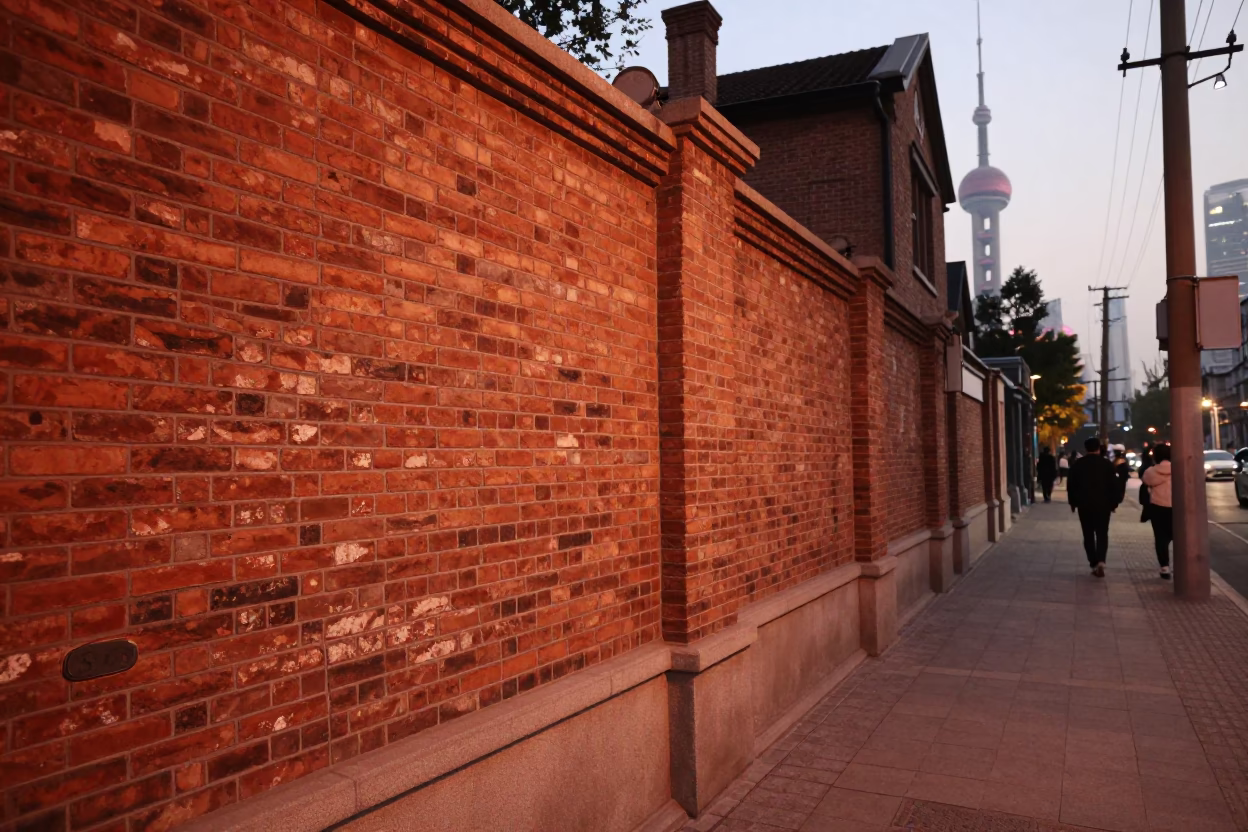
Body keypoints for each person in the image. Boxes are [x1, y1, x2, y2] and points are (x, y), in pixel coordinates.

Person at [1068, 437, 1122, 577]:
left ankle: (1093, 562)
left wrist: (1073, 503)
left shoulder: (1078, 464)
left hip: (1084, 504)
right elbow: (1114, 485)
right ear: (1099, 448)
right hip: (1103, 505)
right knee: (1102, 533)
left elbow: (1071, 486)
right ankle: (1101, 560)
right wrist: (1114, 503)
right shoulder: (1107, 464)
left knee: (1088, 534)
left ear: (1086, 449)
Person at [1142, 443, 1173, 580]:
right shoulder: (1179, 469)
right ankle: (1182, 564)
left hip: (1157, 506)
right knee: (1178, 536)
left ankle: (1164, 566)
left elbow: (1145, 482)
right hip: (1176, 507)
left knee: (1160, 538)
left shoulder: (1150, 472)